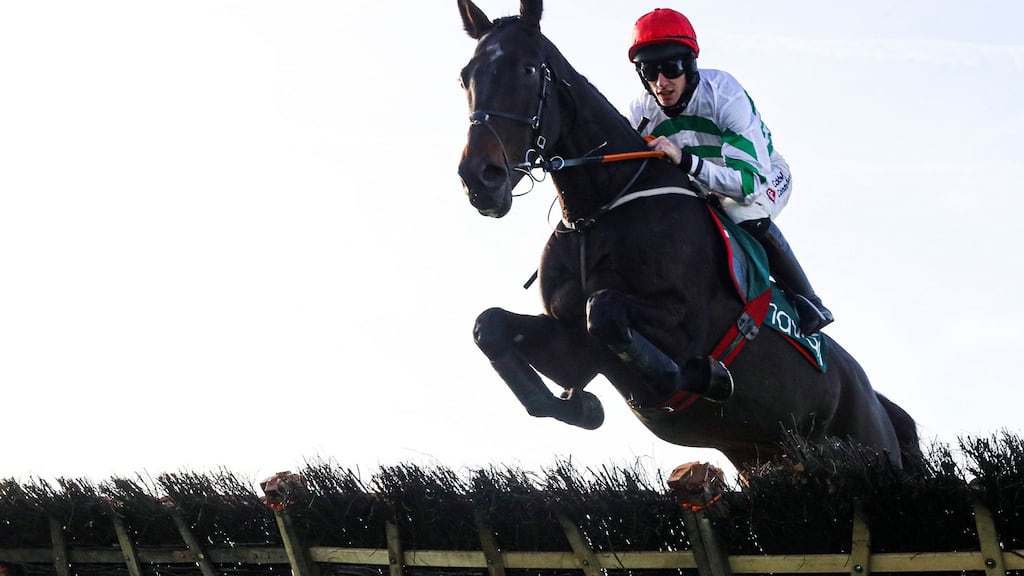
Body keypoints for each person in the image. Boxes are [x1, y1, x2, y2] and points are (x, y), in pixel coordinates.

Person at [625, 7, 833, 335]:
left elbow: (746, 186)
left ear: (689, 66)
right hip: (703, 187)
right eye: (650, 71)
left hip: (761, 176)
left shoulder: (724, 94)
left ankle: (809, 301)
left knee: (739, 211)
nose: (661, 83)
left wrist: (684, 161)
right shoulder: (641, 110)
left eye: (670, 68)